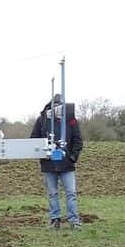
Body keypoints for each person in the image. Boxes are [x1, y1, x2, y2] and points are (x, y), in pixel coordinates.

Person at [30, 94, 84, 229]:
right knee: (52, 193)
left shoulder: (71, 120)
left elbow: (78, 140)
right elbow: (34, 139)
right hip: (49, 164)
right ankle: (55, 220)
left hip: (67, 164)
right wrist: (43, 154)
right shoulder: (42, 120)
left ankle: (74, 221)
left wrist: (72, 157)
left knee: (71, 193)